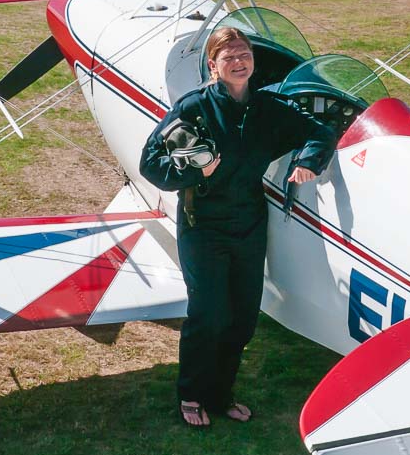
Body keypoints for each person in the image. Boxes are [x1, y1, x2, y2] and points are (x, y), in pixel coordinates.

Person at [139, 27, 336, 428]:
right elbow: (151, 163)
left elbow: (319, 131)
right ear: (213, 66)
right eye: (228, 57)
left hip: (248, 225)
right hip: (203, 226)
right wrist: (194, 168)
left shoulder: (267, 107)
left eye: (243, 54)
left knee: (243, 317)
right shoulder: (193, 107)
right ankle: (191, 394)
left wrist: (308, 161)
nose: (239, 62)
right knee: (209, 314)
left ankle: (221, 394)